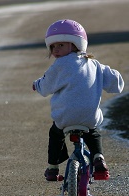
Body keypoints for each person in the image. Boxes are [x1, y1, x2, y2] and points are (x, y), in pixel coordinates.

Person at [32, 19, 124, 181]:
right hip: (89, 117)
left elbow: (45, 86)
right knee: (92, 133)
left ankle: (53, 168)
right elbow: (115, 84)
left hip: (65, 118)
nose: (55, 50)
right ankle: (99, 159)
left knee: (55, 134)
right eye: (53, 46)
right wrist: (118, 79)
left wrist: (36, 85)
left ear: (76, 45)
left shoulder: (59, 65)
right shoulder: (94, 65)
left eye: (60, 45)